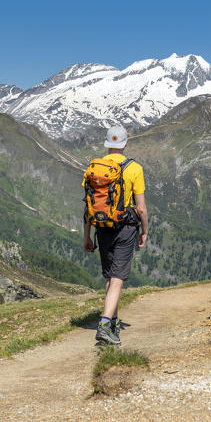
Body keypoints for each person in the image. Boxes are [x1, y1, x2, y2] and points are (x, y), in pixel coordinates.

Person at [83, 124, 148, 345]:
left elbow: (88, 205)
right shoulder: (134, 168)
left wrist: (87, 236)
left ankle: (112, 322)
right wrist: (145, 231)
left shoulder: (94, 168)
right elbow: (141, 208)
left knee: (111, 276)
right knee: (118, 278)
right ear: (125, 143)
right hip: (126, 227)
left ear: (106, 144)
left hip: (101, 226)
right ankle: (104, 325)